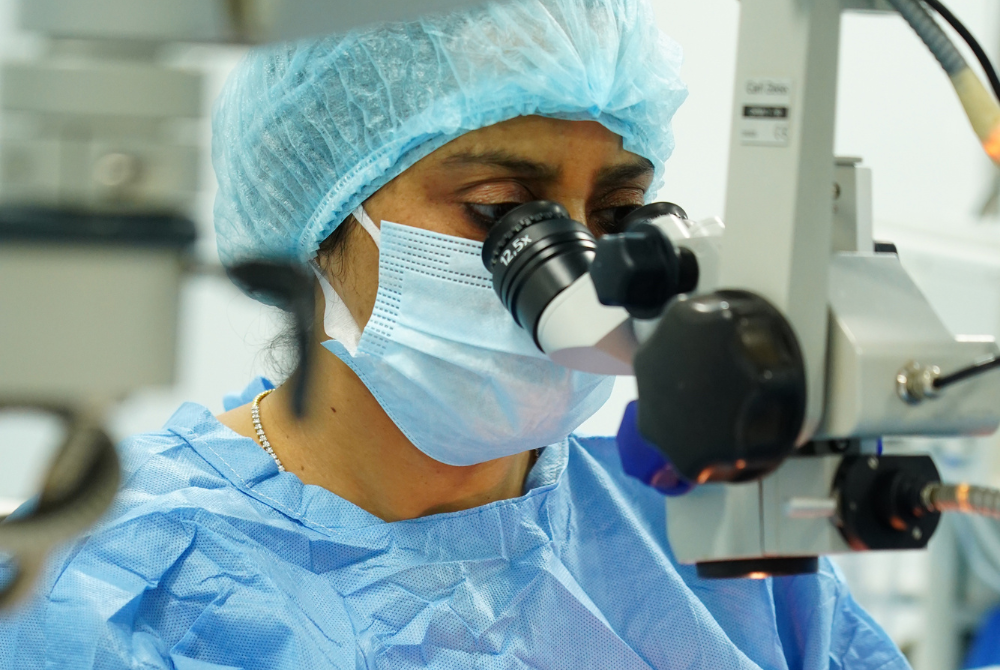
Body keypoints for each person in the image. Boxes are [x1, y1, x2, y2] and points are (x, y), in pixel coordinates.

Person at [0, 0, 910, 668]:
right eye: (501, 211)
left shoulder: (719, 538)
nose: (578, 273)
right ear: (316, 225)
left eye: (617, 214)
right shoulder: (107, 585)